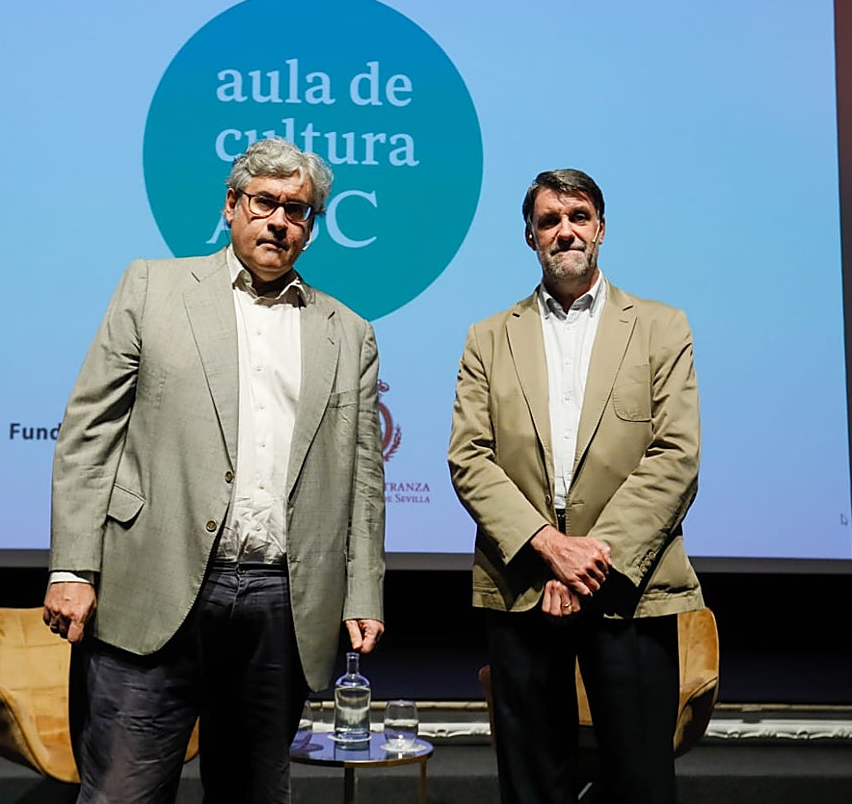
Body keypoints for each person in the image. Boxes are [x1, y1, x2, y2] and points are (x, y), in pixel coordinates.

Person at [42, 137, 387, 804]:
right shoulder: (152, 286)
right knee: (123, 793)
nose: (279, 221)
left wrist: (365, 589)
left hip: (279, 602)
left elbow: (364, 476)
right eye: (265, 203)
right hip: (153, 584)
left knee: (253, 793)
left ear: (312, 228)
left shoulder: (348, 331)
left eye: (299, 210)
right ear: (232, 206)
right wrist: (73, 568)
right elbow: (89, 434)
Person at [448, 168, 704, 804]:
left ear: (601, 228)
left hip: (629, 586)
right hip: (522, 583)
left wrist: (589, 557)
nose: (565, 231)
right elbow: (470, 457)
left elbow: (676, 456)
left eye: (578, 217)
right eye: (549, 221)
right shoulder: (488, 336)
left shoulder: (661, 327)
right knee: (533, 784)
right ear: (530, 236)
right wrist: (548, 546)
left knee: (641, 783)